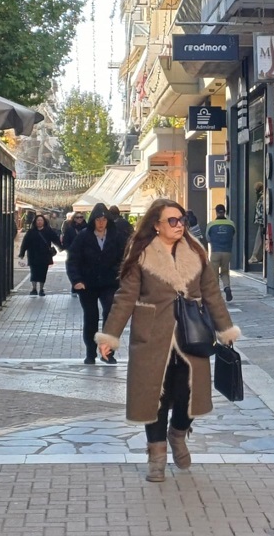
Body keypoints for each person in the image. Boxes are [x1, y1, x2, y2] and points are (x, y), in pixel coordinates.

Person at [96, 198, 240, 482]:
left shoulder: (196, 252)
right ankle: (157, 456)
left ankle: (178, 433)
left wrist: (225, 330)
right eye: (172, 221)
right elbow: (125, 298)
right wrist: (110, 336)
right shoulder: (141, 255)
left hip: (193, 336)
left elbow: (212, 294)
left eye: (182, 219)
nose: (179, 225)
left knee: (190, 396)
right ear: (157, 225)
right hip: (152, 336)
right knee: (154, 398)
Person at [67, 204, 125, 365]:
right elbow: (73, 260)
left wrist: (120, 277)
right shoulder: (84, 236)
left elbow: (125, 259)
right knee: (91, 317)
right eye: (98, 219)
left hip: (109, 283)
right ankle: (90, 353)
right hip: (88, 284)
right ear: (93, 220)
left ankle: (108, 353)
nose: (101, 222)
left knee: (110, 315)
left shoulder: (116, 236)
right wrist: (76, 281)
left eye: (104, 219)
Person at [18, 214, 61, 297]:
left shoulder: (48, 231)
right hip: (33, 255)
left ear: (44, 221)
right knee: (33, 272)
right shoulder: (31, 232)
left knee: (43, 273)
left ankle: (41, 289)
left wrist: (61, 247)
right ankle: (34, 289)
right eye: (38, 220)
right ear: (35, 222)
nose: (39, 222)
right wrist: (21, 254)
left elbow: (55, 239)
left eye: (41, 220)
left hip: (44, 256)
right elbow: (25, 244)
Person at [205, 204, 236, 302]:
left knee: (214, 274)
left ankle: (216, 295)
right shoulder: (231, 224)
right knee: (225, 272)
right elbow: (233, 235)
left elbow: (207, 238)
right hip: (227, 252)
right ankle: (227, 287)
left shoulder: (211, 224)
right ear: (225, 211)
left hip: (215, 252)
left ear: (216, 212)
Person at [248, 182, 265, 264]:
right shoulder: (261, 196)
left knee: (260, 239)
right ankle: (256, 256)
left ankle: (255, 256)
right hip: (262, 221)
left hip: (262, 221)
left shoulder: (262, 196)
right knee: (260, 239)